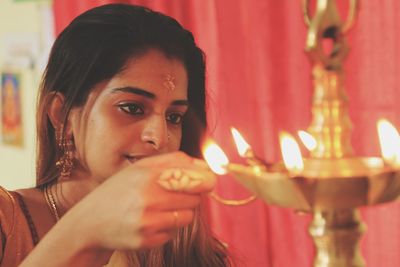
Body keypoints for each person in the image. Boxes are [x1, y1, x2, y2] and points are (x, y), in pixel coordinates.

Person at [0, 4, 231, 266]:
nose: (160, 137)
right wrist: (87, 232)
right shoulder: (7, 223)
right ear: (62, 115)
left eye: (173, 117)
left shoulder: (187, 249)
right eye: (132, 108)